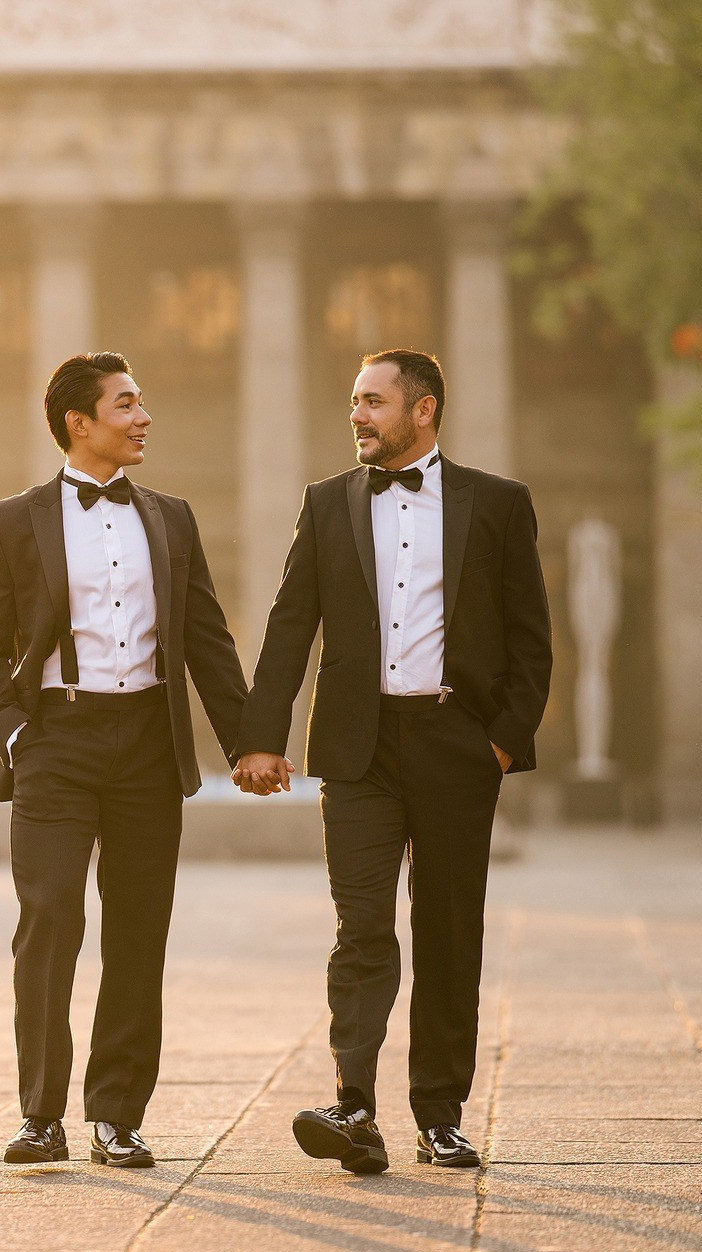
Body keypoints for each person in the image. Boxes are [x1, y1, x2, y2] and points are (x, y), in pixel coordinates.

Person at [233, 349, 551, 1173]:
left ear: (425, 410)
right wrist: (261, 735)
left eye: (373, 402)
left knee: (449, 931)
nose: (358, 417)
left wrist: (500, 742)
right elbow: (288, 625)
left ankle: (439, 1116)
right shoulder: (328, 503)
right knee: (362, 928)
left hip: (457, 746)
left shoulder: (498, 504)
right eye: (352, 403)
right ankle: (355, 1107)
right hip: (358, 750)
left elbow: (531, 640)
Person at [0, 351, 248, 1168]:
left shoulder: (172, 517)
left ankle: (117, 1114)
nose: (143, 417)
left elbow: (208, 642)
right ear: (79, 423)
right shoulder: (11, 522)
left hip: (149, 749)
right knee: (49, 920)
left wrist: (248, 741)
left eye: (142, 402)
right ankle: (40, 1114)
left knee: (137, 932)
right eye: (126, 404)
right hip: (57, 741)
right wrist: (16, 734)